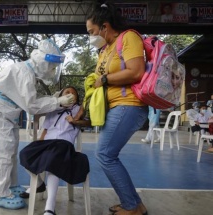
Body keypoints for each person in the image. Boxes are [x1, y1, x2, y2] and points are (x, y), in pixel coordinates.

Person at [0, 38, 75, 210]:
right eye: (52, 67)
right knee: (3, 149)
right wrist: (58, 102)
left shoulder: (28, 72)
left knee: (11, 148)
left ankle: (10, 185)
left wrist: (54, 99)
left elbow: (30, 100)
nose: (53, 70)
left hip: (5, 110)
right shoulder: (24, 74)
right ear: (44, 62)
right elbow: (31, 106)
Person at [86, 3, 148, 215]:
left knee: (105, 154)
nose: (90, 36)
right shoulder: (104, 50)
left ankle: (131, 207)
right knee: (108, 154)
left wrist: (103, 78)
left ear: (104, 26)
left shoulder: (128, 38)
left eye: (91, 31)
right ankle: (135, 204)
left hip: (128, 105)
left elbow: (136, 72)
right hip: (115, 107)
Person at [19, 86, 90, 215]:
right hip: (47, 143)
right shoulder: (53, 109)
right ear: (61, 95)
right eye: (67, 92)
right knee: (24, 153)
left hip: (64, 144)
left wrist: (75, 121)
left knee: (53, 161)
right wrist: (39, 145)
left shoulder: (78, 110)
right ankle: (40, 184)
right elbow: (45, 129)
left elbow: (88, 122)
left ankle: (50, 207)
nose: (70, 94)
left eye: (73, 94)